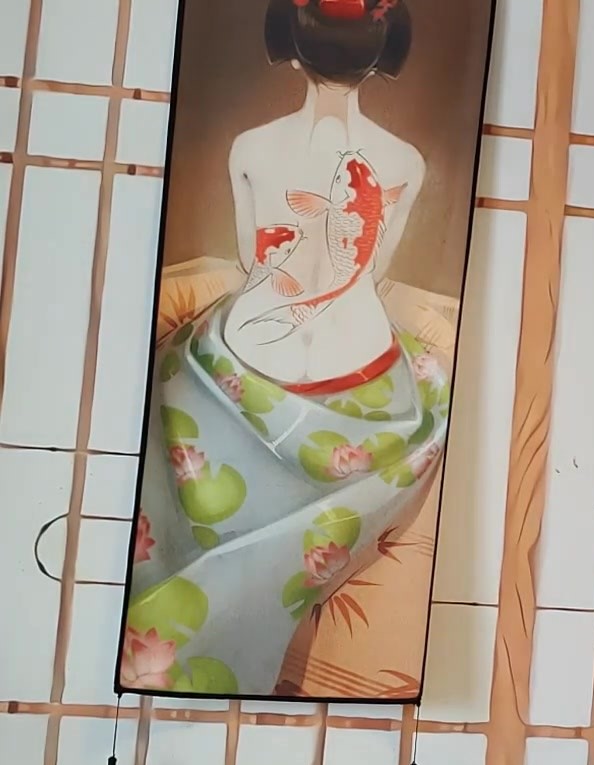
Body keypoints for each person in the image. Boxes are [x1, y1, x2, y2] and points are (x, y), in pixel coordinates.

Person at [120, 0, 447, 698]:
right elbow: (376, 270)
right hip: (363, 381)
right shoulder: (407, 162)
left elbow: (250, 259)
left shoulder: (250, 146)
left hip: (243, 361)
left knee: (169, 381)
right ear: (383, 50)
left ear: (290, 44)